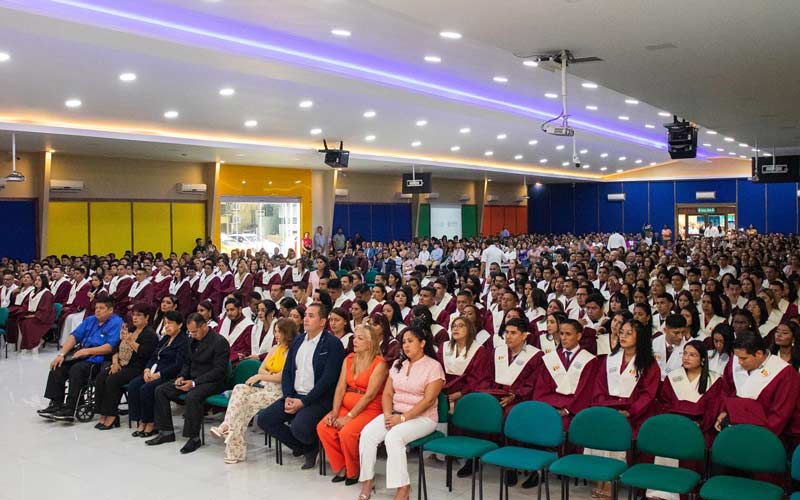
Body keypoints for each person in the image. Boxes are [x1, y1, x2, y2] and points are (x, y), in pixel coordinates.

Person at [358, 327, 444, 500]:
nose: (405, 345)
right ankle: (368, 480)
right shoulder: (399, 364)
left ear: (422, 343)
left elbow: (428, 400)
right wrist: (388, 414)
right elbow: (388, 393)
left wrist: (403, 418)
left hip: (423, 418)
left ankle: (403, 488)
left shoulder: (433, 367)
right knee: (367, 434)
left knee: (393, 437)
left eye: (410, 341)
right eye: (404, 341)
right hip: (396, 413)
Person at [256, 303, 346, 469]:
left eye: (311, 316)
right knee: (264, 418)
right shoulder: (298, 340)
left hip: (319, 398)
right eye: (306, 315)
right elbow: (288, 371)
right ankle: (305, 447)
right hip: (295, 394)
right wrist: (289, 396)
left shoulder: (332, 344)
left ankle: (309, 444)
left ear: (322, 322)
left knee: (300, 427)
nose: (306, 319)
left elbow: (328, 379)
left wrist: (303, 403)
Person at [586, 319, 660, 499]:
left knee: (617, 431)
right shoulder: (610, 359)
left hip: (634, 414)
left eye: (629, 333)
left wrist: (630, 411)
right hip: (608, 409)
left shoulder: (649, 364)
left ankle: (611, 481)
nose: (623, 336)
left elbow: (648, 395)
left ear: (640, 337)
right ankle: (600, 478)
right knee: (599, 428)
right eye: (622, 332)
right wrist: (603, 407)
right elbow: (599, 386)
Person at [210, 318, 298, 463]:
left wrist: (262, 376)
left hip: (280, 392)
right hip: (265, 386)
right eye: (275, 331)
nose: (275, 334)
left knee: (244, 403)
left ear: (286, 333)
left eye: (278, 332)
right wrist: (267, 375)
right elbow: (261, 367)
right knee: (239, 388)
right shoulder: (275, 348)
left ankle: (233, 448)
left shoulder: (291, 352)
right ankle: (227, 425)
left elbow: (282, 377)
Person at [650, 340, 724, 500]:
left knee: (693, 449)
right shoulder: (673, 377)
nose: (686, 358)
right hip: (673, 426)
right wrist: (673, 423)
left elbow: (713, 409)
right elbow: (663, 403)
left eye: (692, 355)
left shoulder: (715, 380)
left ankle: (684, 494)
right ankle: (661, 493)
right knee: (664, 445)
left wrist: (698, 425)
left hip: (699, 429)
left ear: (703, 359)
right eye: (684, 353)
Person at [147, 313, 230, 454]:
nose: (192, 334)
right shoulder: (192, 340)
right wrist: (181, 376)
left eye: (195, 331)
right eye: (190, 332)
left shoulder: (219, 342)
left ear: (204, 326)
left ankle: (194, 437)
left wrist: (193, 383)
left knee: (193, 396)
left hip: (212, 381)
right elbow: (187, 363)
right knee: (161, 390)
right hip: (191, 378)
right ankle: (166, 431)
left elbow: (219, 371)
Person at [317, 324, 388, 484]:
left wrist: (348, 417)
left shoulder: (380, 363)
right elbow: (341, 387)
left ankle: (354, 471)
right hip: (347, 404)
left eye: (360, 338)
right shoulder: (349, 359)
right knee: (324, 427)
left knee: (346, 432)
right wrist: (335, 412)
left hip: (369, 408)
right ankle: (341, 468)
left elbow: (370, 395)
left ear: (370, 343)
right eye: (354, 337)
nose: (354, 341)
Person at [38, 296, 123, 422]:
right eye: (96, 308)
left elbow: (111, 346)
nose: (97, 311)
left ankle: (70, 408)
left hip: (99, 359)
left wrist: (88, 351)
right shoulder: (90, 320)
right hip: (81, 355)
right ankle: (56, 403)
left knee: (76, 370)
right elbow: (75, 336)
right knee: (58, 367)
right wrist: (61, 355)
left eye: (101, 308)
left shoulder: (117, 323)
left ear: (110, 310)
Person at [715, 331, 799, 436]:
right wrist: (724, 411)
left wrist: (759, 437)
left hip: (764, 433)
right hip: (734, 426)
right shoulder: (734, 362)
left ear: (759, 354)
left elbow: (780, 414)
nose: (739, 362)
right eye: (737, 357)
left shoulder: (784, 373)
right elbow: (726, 390)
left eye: (743, 358)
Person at [93, 303, 158, 429]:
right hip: (121, 364)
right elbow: (115, 349)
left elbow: (145, 354)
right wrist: (115, 363)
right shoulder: (131, 330)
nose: (135, 318)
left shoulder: (150, 334)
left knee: (113, 380)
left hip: (137, 368)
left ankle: (112, 415)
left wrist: (130, 341)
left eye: (139, 315)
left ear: (147, 318)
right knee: (101, 377)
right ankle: (103, 413)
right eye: (133, 315)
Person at [129, 311, 188, 438]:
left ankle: (150, 423)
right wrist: (147, 370)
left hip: (169, 374)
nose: (167, 326)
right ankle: (140, 420)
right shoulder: (165, 338)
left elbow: (178, 365)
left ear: (180, 325)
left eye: (170, 323)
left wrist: (159, 374)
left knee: (146, 389)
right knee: (134, 385)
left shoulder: (183, 341)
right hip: (154, 371)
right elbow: (153, 356)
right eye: (165, 323)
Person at [534, 318, 598, 430]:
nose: (563, 338)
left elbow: (586, 393)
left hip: (573, 411)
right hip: (550, 407)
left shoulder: (589, 360)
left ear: (578, 336)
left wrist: (567, 410)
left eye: (568, 334)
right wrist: (549, 408)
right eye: (561, 333)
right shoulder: (551, 358)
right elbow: (541, 388)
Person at [18, 273, 56, 353]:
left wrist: (34, 315)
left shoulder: (47, 293)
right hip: (32, 314)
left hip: (44, 317)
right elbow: (26, 304)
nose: (37, 282)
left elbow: (46, 309)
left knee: (28, 323)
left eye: (39, 280)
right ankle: (29, 344)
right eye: (36, 280)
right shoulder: (32, 292)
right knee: (22, 320)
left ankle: (34, 344)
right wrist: (25, 314)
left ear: (44, 282)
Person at [218, 297, 254, 364]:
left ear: (240, 309)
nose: (229, 313)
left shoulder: (249, 326)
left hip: (235, 361)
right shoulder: (223, 322)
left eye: (232, 310)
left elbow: (247, 350)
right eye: (227, 310)